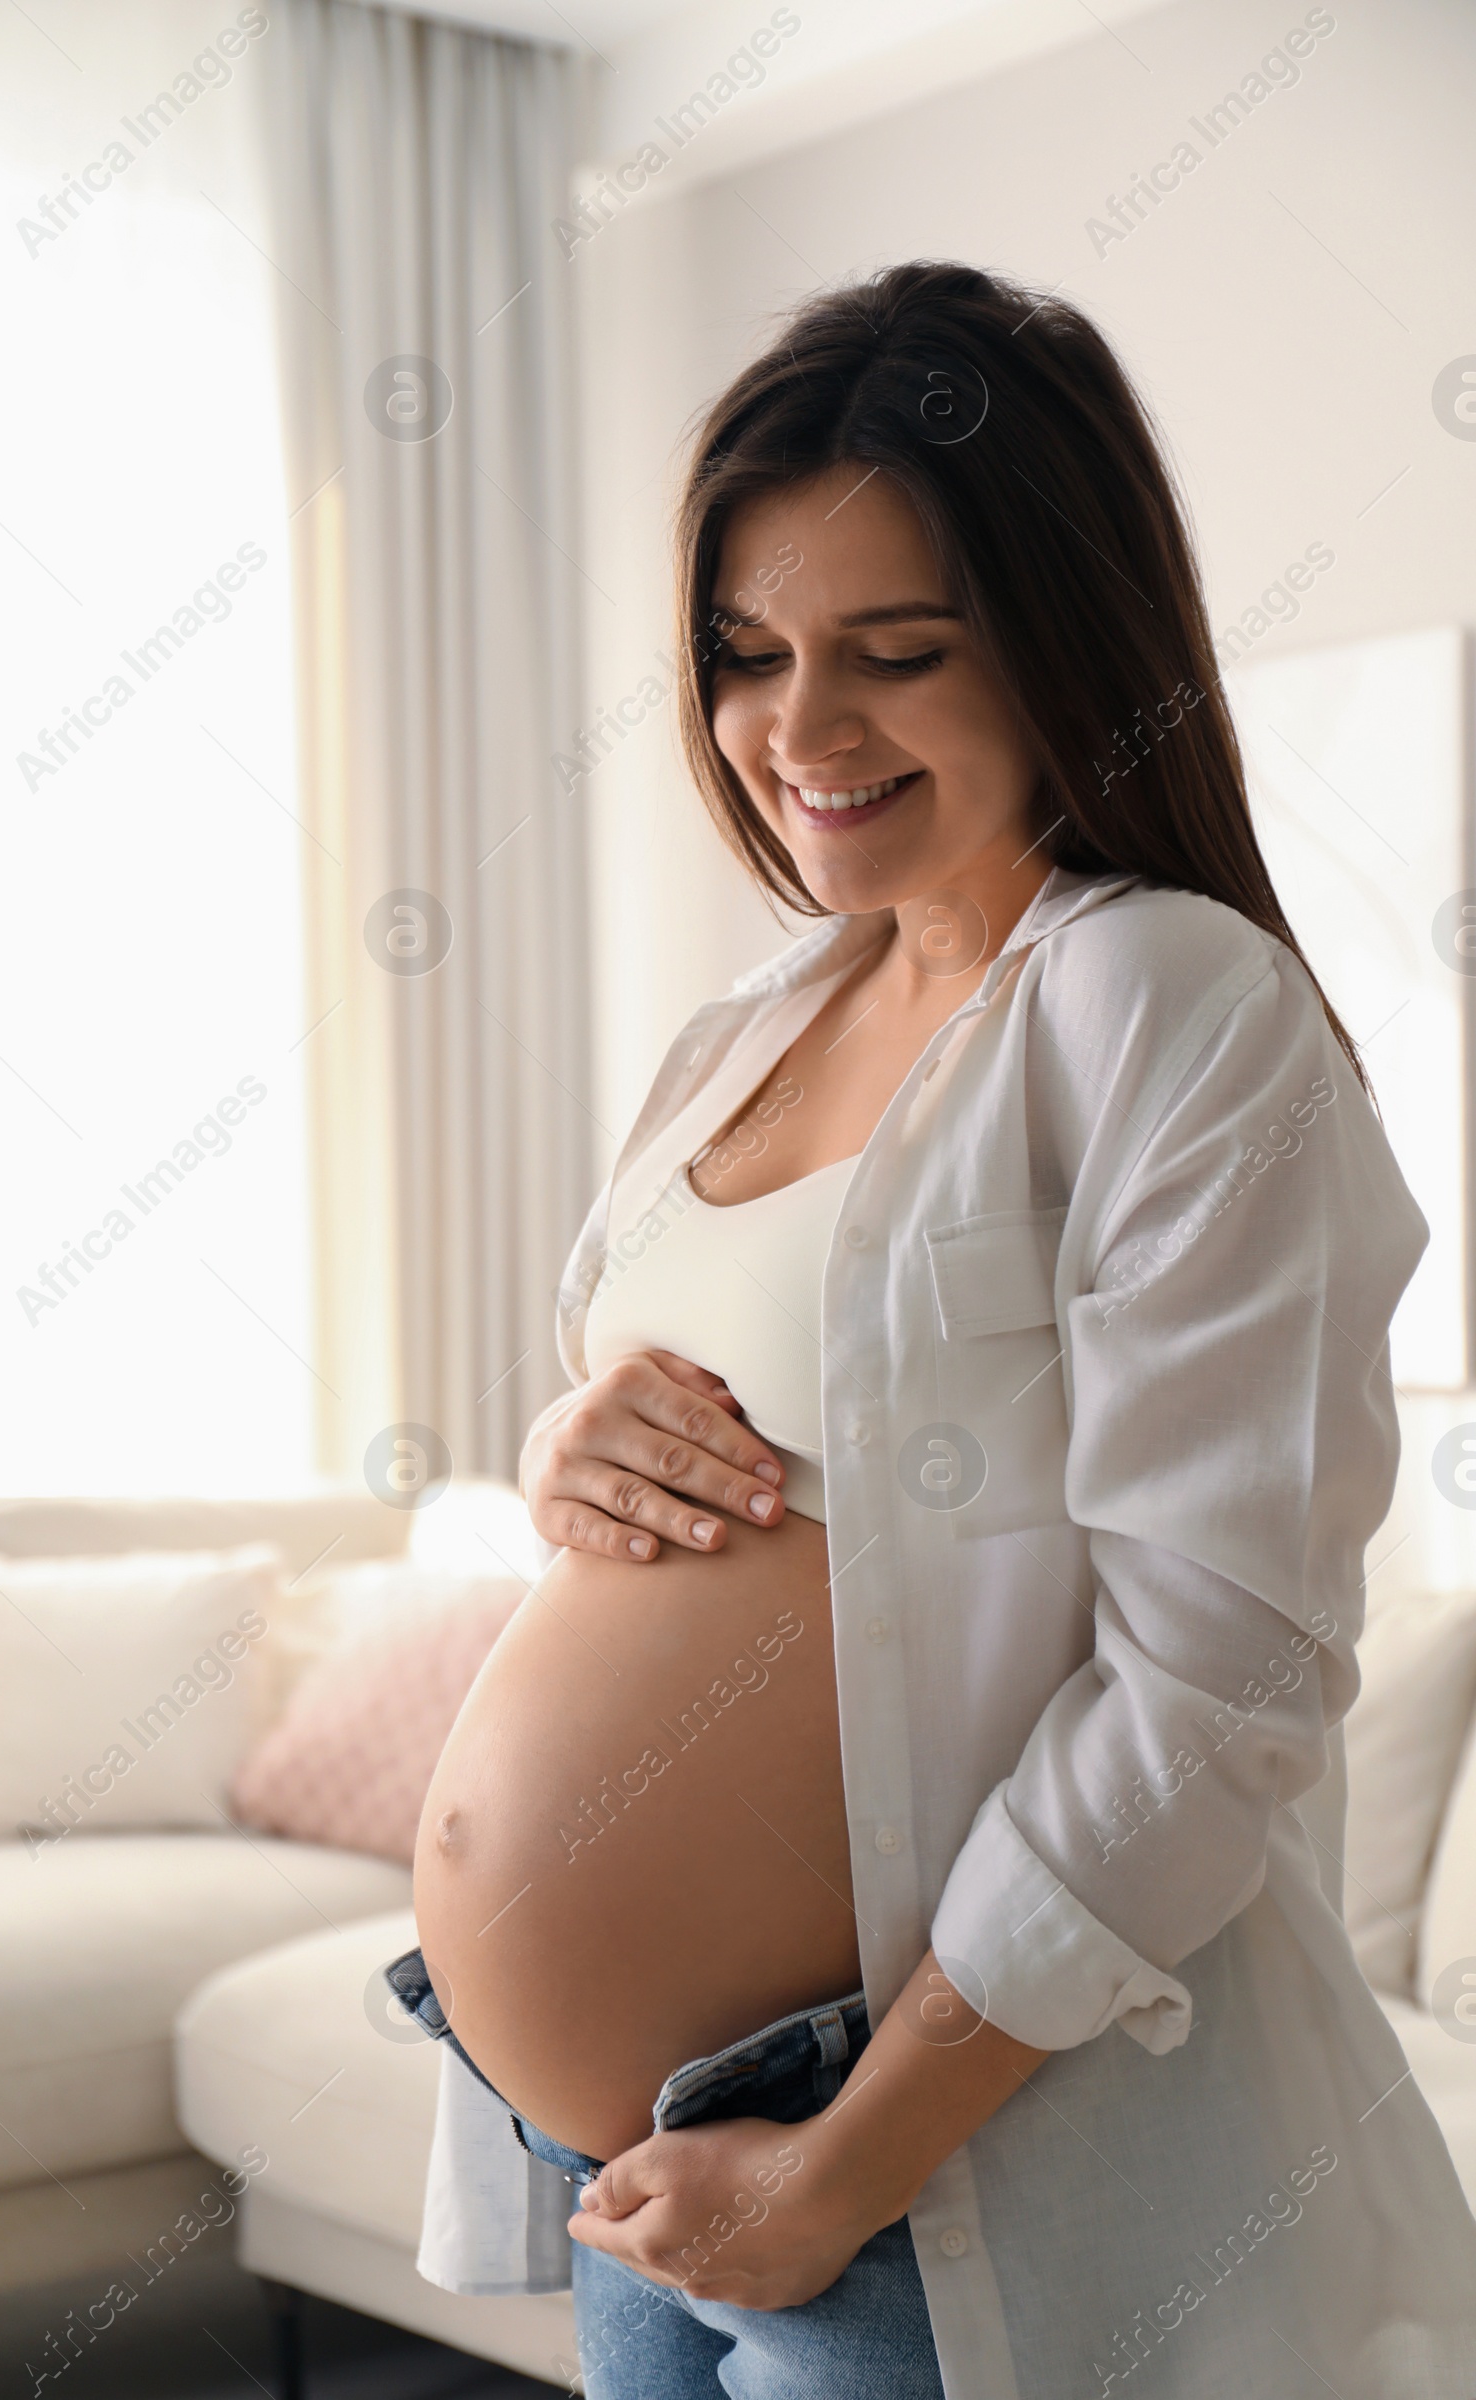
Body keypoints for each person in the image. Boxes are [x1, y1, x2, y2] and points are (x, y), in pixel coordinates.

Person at [392, 260, 1476, 2399]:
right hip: (650, 2136)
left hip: (916, 2151)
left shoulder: (1163, 1004)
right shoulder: (748, 1025)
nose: (798, 731)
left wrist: (838, 2165)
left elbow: (1218, 1683)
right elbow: (773, 1465)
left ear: (1068, 642)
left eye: (893, 652)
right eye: (745, 655)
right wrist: (564, 1449)